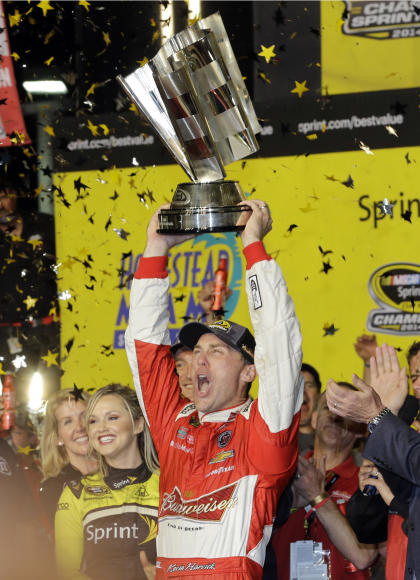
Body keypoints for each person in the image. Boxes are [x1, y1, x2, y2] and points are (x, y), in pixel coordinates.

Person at [125, 199, 303, 578]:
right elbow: (144, 348)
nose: (199, 360)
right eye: (197, 350)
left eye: (217, 351)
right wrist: (156, 248)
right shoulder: (175, 423)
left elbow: (278, 340)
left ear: (249, 372)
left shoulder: (262, 432)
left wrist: (253, 245)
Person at [326, 343, 420, 580]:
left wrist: (380, 417)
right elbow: (366, 526)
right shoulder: (403, 428)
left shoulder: (398, 434)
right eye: (415, 375)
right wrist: (390, 415)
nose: (417, 385)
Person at [269, 385, 377, 579]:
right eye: (329, 407)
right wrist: (289, 504)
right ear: (314, 418)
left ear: (361, 429)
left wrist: (317, 497)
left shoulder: (369, 483)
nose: (335, 415)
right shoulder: (283, 474)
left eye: (345, 411)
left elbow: (365, 556)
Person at [54, 383, 160, 580]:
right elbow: (67, 572)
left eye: (112, 418)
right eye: (93, 421)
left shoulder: (170, 485)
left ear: (138, 424)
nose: (101, 428)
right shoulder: (76, 493)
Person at [39, 388, 98, 529]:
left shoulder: (123, 470)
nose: (79, 427)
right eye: (67, 422)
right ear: (58, 437)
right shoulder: (54, 488)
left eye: (84, 416)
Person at [298, 363, 321, 453]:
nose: (303, 394)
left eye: (309, 385)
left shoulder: (333, 435)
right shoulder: (279, 440)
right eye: (296, 387)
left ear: (319, 394)